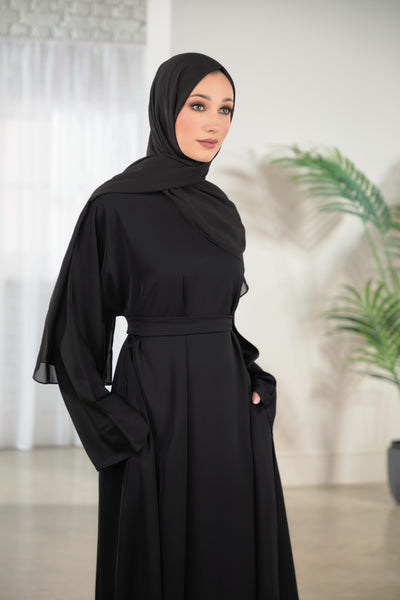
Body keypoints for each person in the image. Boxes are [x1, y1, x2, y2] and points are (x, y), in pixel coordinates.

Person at [33, 52, 299, 600]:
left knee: (229, 548)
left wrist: (250, 377)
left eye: (226, 109)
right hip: (155, 407)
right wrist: (116, 423)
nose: (214, 123)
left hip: (227, 410)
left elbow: (217, 315)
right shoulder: (114, 206)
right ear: (165, 107)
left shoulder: (220, 208)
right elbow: (73, 334)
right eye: (198, 105)